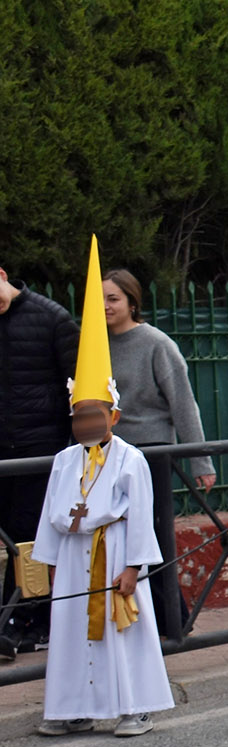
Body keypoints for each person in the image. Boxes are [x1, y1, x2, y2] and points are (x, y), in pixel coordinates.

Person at [32, 237, 174, 738]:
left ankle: (134, 705)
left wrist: (134, 567)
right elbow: (53, 510)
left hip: (113, 553)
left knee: (123, 630)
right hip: (74, 558)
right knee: (73, 634)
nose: (85, 424)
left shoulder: (130, 460)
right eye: (77, 416)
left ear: (113, 415)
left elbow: (139, 514)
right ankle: (74, 707)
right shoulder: (65, 460)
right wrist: (48, 564)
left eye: (94, 415)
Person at [104, 267, 213, 639]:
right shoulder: (93, 347)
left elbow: (184, 403)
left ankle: (174, 618)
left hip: (152, 451)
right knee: (114, 533)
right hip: (107, 453)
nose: (105, 306)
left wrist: (200, 460)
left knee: (150, 533)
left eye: (113, 298)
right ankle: (132, 616)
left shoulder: (156, 343)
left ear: (132, 301)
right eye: (100, 299)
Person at [0, 256, 79, 655]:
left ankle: (27, 620)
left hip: (40, 448)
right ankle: (13, 620)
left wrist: (70, 446)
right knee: (7, 537)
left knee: (28, 538)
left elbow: (77, 385)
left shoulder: (52, 318)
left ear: (2, 274)